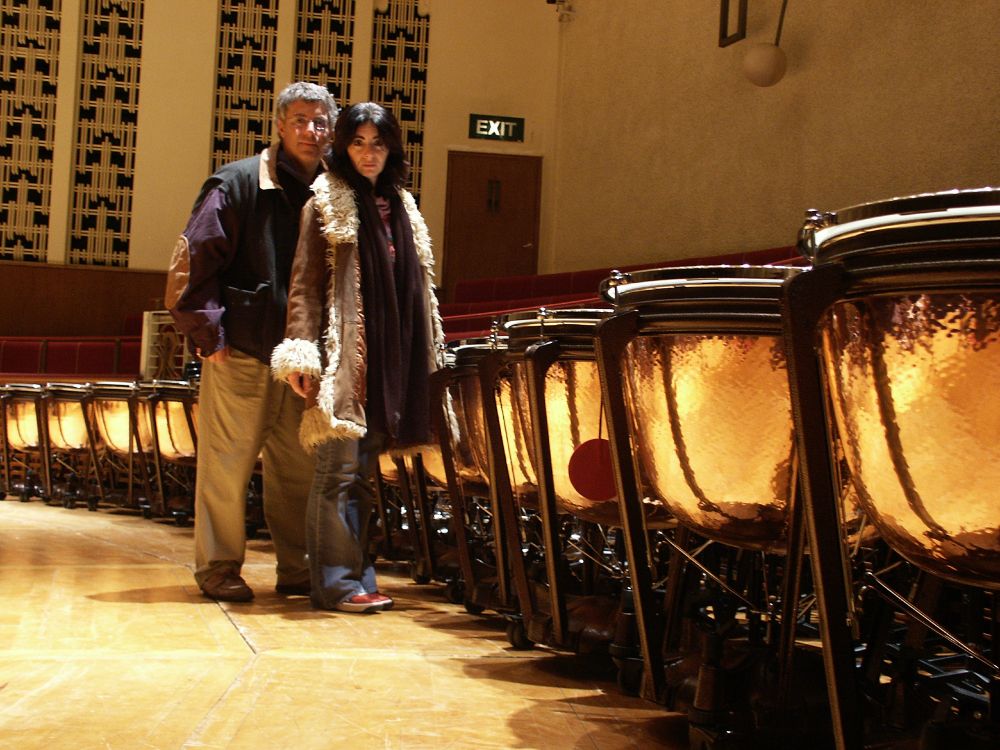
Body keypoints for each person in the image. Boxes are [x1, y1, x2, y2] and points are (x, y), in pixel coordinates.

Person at [164, 82, 339, 602]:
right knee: (226, 463)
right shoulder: (237, 182)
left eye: (322, 121)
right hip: (238, 348)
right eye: (302, 120)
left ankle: (298, 567)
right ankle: (219, 567)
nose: (313, 131)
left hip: (304, 356)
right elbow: (192, 263)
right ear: (281, 126)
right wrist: (208, 333)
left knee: (298, 467)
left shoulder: (336, 191)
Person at [270, 102, 446, 613]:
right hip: (343, 359)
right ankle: (335, 584)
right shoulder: (323, 203)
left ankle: (357, 576)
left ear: (391, 148)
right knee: (336, 474)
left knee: (361, 477)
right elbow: (303, 286)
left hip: (388, 359)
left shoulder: (402, 205)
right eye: (358, 143)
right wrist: (302, 357)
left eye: (378, 143)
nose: (369, 154)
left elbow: (418, 287)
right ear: (343, 148)